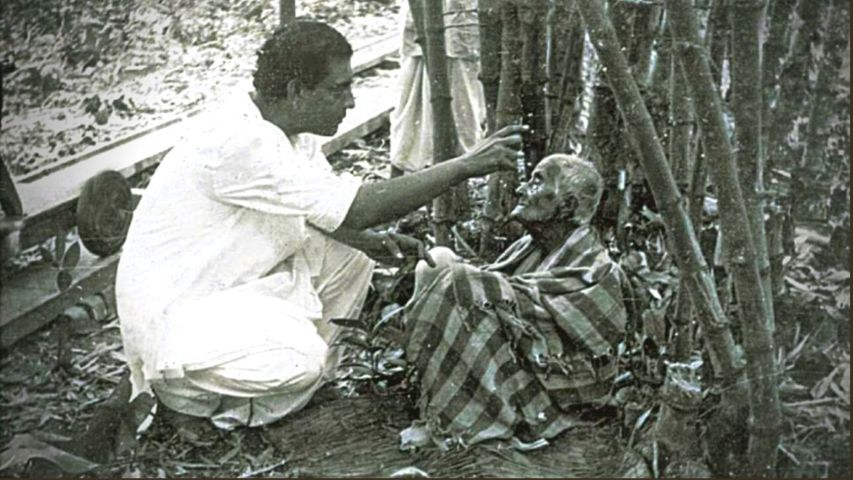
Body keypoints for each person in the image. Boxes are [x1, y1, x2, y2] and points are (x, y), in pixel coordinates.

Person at [113, 21, 525, 431]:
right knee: (301, 362)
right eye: (338, 89)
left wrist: (369, 242)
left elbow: (326, 211)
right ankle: (186, 400)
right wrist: (463, 166)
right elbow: (357, 209)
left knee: (354, 255)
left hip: (228, 287)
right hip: (177, 312)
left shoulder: (287, 127)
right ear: (296, 91)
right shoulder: (240, 141)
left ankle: (294, 382)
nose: (350, 101)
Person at [403, 154, 628, 448]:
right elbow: (508, 292)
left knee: (463, 282)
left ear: (568, 206)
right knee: (438, 261)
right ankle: (436, 399)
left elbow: (583, 346)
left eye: (537, 182)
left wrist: (480, 286)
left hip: (561, 384)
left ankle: (467, 420)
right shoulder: (529, 245)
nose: (521, 189)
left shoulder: (598, 267)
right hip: (522, 359)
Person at [389, 0, 486, 176]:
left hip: (460, 22)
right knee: (413, 90)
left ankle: (457, 169)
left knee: (462, 95)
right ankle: (406, 166)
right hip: (423, 21)